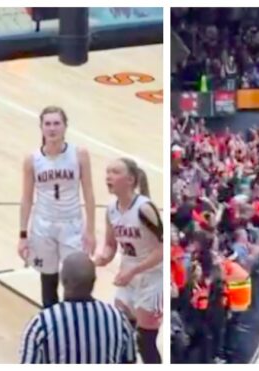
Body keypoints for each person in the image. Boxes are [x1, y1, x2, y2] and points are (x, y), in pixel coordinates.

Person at [18, 106, 96, 308]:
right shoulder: (32, 160)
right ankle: (52, 324)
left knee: (76, 280)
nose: (52, 128)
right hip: (43, 225)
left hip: (72, 224)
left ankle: (75, 325)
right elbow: (26, 199)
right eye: (48, 124)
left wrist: (91, 231)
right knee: (48, 280)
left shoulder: (79, 154)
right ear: (41, 128)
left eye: (56, 123)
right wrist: (22, 235)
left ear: (65, 126)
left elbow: (88, 193)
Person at [94, 158, 162, 363]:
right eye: (107, 172)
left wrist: (133, 270)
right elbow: (111, 245)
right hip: (128, 278)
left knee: (145, 341)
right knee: (121, 336)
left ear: (130, 180)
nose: (108, 176)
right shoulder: (111, 209)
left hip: (152, 278)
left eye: (115, 172)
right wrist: (102, 258)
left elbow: (163, 249)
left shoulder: (145, 208)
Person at [19, 251, 137, 364]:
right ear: (94, 281)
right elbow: (129, 361)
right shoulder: (119, 320)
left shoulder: (41, 324)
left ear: (62, 280)